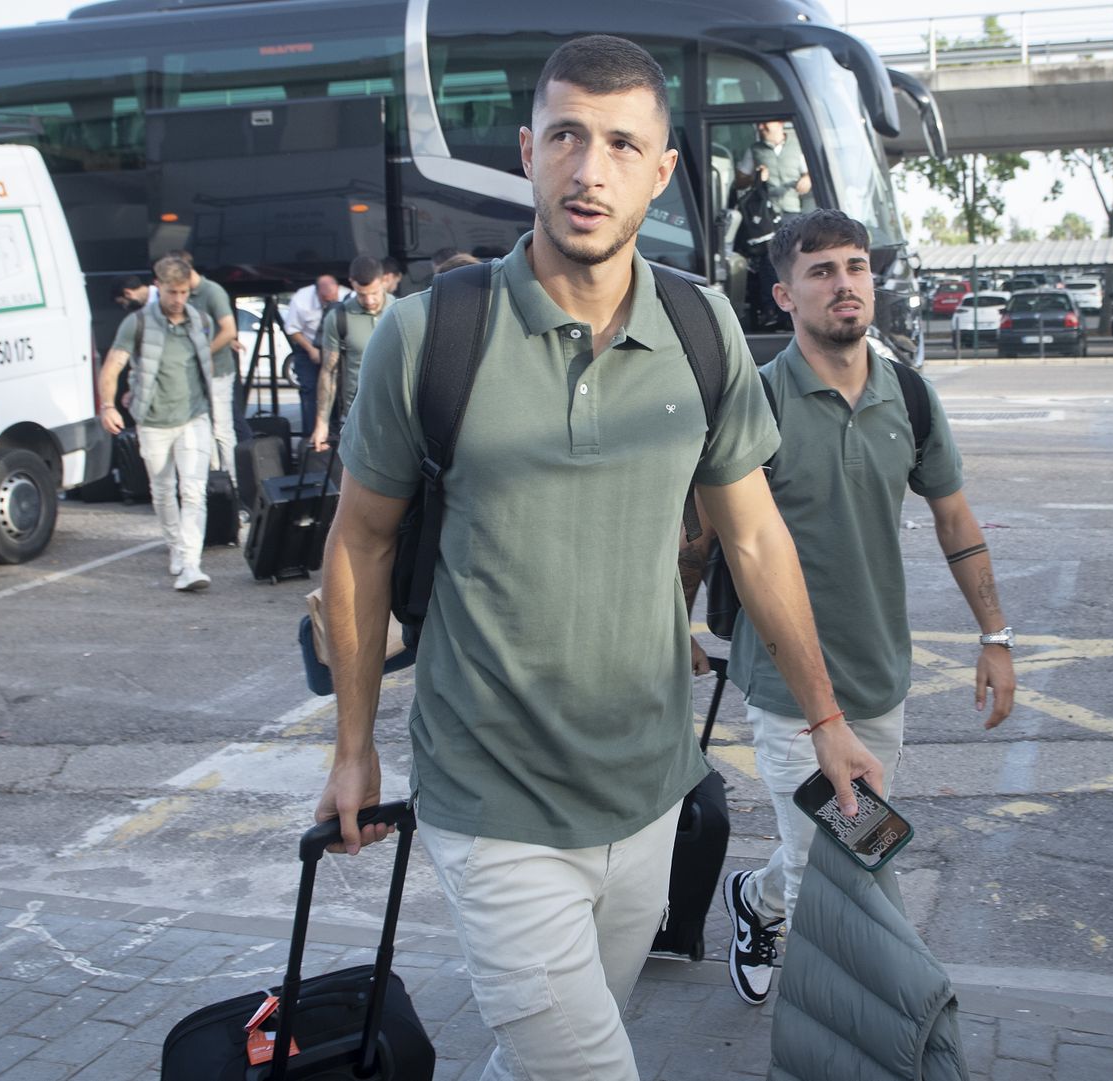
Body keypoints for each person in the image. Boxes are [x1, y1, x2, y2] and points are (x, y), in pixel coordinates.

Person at [315, 35, 880, 1081]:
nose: (589, 170)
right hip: (490, 798)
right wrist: (354, 745)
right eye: (566, 136)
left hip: (651, 787)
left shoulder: (702, 325)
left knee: (552, 1060)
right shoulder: (428, 333)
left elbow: (753, 535)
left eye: (622, 144)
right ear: (527, 151)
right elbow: (360, 539)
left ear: (661, 173)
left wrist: (826, 720)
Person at [695, 209, 1017, 1007]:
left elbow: (954, 516)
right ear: (785, 295)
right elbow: (701, 536)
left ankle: (754, 900)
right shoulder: (755, 403)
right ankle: (847, 1038)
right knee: (833, 878)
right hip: (786, 689)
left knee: (857, 844)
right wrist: (673, 628)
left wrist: (995, 634)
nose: (845, 283)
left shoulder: (908, 393)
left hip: (878, 681)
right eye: (822, 270)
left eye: (856, 266)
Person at [97, 256, 218, 592]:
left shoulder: (200, 320)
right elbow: (112, 367)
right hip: (153, 421)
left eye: (183, 292)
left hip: (195, 416)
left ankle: (191, 564)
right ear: (157, 287)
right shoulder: (135, 323)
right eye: (171, 292)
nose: (178, 299)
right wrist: (108, 405)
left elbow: (205, 367)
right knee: (163, 490)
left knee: (193, 492)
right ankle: (177, 550)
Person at [310, 254, 396, 452]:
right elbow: (328, 371)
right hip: (357, 418)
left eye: (374, 292)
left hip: (398, 418)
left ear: (384, 281)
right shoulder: (338, 317)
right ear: (351, 284)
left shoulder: (401, 310)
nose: (369, 300)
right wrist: (321, 422)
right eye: (361, 293)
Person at [169, 250, 241, 476]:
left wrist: (201, 353)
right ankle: (213, 481)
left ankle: (233, 484)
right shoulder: (183, 295)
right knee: (203, 429)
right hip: (195, 373)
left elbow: (229, 330)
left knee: (222, 428)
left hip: (217, 371)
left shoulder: (211, 292)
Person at [283, 272, 342, 439]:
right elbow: (292, 330)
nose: (330, 301)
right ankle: (311, 436)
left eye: (333, 297)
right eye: (326, 299)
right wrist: (311, 350)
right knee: (309, 390)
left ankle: (335, 434)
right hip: (308, 346)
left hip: (334, 347)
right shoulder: (302, 299)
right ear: (317, 293)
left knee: (336, 392)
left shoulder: (346, 295)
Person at [736, 119, 811, 214]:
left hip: (794, 211)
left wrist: (808, 179)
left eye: (764, 123)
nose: (760, 127)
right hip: (766, 213)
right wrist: (756, 177)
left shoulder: (798, 146)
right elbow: (739, 183)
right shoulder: (754, 150)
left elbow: (810, 173)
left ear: (780, 122)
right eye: (759, 124)